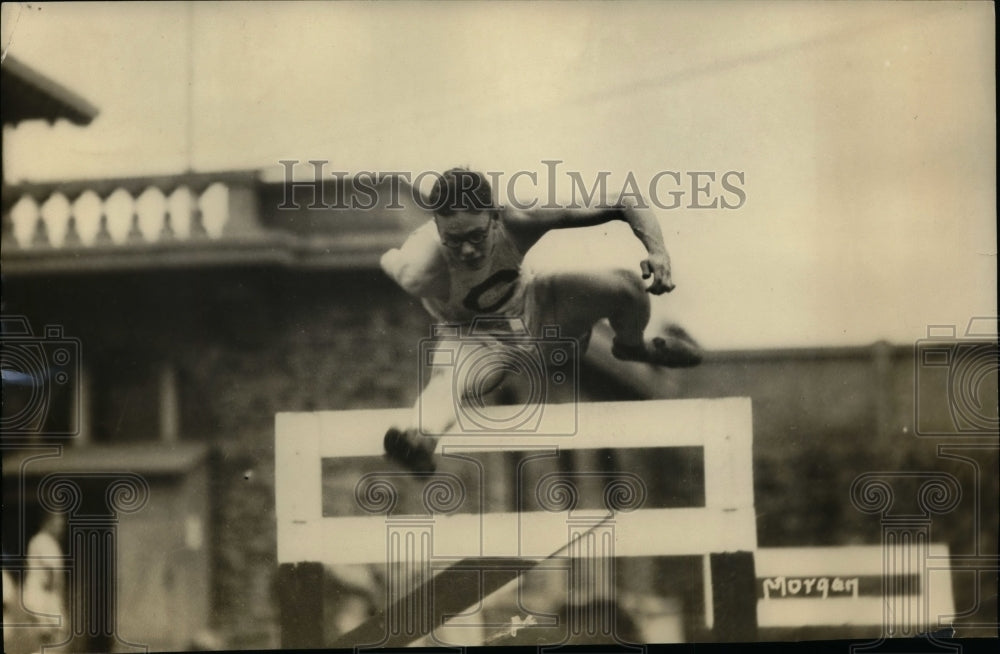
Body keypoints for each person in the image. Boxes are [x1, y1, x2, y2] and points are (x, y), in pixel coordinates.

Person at [380, 168, 701, 472]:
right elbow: (390, 260)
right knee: (449, 380)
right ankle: (421, 440)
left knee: (626, 286)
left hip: (533, 307)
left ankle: (632, 347)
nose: (466, 250)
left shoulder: (519, 221)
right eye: (453, 239)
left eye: (477, 237)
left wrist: (658, 252)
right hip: (475, 338)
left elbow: (625, 200)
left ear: (494, 217)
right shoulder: (417, 267)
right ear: (437, 228)